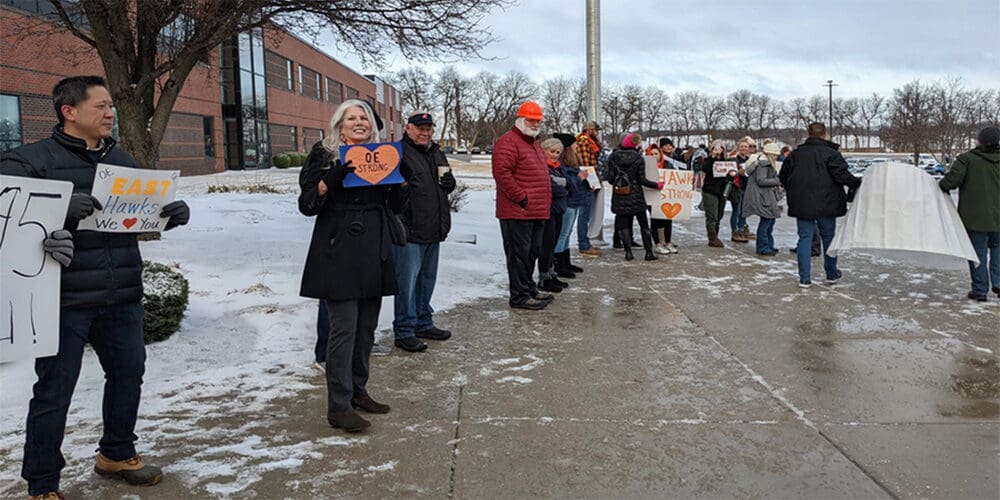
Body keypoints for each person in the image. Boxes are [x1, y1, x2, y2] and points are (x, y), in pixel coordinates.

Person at [2, 75, 190, 498]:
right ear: (69, 112)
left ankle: (117, 453)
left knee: (129, 375)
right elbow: (7, 217)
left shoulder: (121, 161)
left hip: (121, 293)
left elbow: (134, 219)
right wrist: (59, 210)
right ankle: (42, 482)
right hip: (61, 300)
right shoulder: (29, 162)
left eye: (111, 107)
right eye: (101, 106)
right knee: (54, 391)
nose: (110, 114)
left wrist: (168, 214)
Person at [298, 99, 403, 432]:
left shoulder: (381, 157)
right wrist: (331, 178)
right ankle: (338, 406)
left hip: (373, 247)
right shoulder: (324, 153)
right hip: (337, 247)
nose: (359, 122)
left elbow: (396, 206)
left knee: (366, 328)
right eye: (352, 118)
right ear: (339, 125)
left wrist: (402, 182)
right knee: (343, 329)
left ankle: (359, 391)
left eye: (364, 118)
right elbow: (307, 204)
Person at [392, 112, 456, 351]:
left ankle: (423, 321)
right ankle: (404, 329)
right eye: (420, 128)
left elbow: (445, 179)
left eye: (428, 128)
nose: (425, 133)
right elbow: (392, 193)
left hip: (433, 227)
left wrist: (451, 184)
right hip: (408, 229)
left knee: (427, 280)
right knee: (407, 283)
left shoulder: (435, 152)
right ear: (407, 128)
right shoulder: (397, 152)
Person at [779, 122, 861, 288]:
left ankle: (804, 278)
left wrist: (794, 190)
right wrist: (857, 182)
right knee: (829, 238)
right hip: (828, 203)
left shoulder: (795, 154)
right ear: (825, 135)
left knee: (804, 238)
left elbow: (783, 176)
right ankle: (831, 273)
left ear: (808, 134)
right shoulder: (831, 154)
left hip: (802, 203)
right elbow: (843, 176)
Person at [492, 101, 553, 310]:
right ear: (520, 120)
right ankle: (519, 296)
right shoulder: (508, 142)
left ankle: (529, 288)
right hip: (517, 211)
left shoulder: (533, 143)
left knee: (531, 253)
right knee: (519, 255)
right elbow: (502, 174)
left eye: (538, 121)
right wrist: (522, 197)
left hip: (535, 211)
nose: (535, 124)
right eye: (531, 120)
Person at [938, 126, 1000, 302]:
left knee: (977, 254)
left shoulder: (967, 160)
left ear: (979, 141)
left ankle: (980, 290)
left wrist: (942, 186)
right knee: (998, 250)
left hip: (975, 218)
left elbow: (949, 182)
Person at [609, 133, 662, 261]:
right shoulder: (638, 158)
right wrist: (656, 185)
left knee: (623, 225)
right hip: (636, 195)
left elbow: (609, 177)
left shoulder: (613, 157)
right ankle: (649, 252)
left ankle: (628, 253)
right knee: (644, 224)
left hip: (620, 194)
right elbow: (642, 180)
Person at [552, 133, 588, 278]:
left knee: (567, 232)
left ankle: (565, 262)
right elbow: (568, 181)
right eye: (575, 144)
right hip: (568, 201)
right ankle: (559, 264)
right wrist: (579, 178)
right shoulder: (562, 164)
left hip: (574, 200)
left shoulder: (571, 162)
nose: (577, 146)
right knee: (563, 233)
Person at [537, 137, 570, 293]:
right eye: (552, 151)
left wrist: (563, 185)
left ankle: (551, 273)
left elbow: (567, 183)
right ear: (545, 150)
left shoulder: (557, 167)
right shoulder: (543, 166)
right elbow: (550, 187)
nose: (555, 155)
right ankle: (544, 277)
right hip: (548, 209)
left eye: (558, 152)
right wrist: (564, 187)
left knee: (554, 243)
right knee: (547, 244)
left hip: (558, 208)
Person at [742, 142, 783, 255]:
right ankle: (763, 247)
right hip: (763, 196)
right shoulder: (763, 164)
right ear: (770, 154)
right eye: (775, 155)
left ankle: (768, 245)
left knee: (769, 221)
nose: (776, 157)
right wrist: (778, 181)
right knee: (766, 222)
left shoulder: (762, 163)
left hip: (764, 196)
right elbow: (761, 180)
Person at [575, 120, 604, 255]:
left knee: (586, 214)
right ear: (590, 130)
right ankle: (584, 244)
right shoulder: (584, 142)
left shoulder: (589, 142)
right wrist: (591, 182)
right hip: (587, 183)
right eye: (596, 130)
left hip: (589, 182)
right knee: (584, 214)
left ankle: (585, 242)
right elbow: (586, 166)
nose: (598, 133)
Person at [699, 141, 734, 247]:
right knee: (712, 216)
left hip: (722, 191)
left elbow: (729, 177)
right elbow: (705, 168)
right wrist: (713, 157)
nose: (719, 150)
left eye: (721, 148)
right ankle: (712, 238)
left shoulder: (726, 162)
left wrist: (731, 175)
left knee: (719, 215)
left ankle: (716, 235)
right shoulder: (708, 160)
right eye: (716, 148)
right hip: (710, 190)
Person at [652, 138, 680, 254]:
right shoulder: (646, 166)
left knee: (668, 218)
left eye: (656, 154)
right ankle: (658, 243)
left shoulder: (668, 163)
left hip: (667, 195)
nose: (654, 156)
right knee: (656, 219)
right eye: (652, 154)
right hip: (653, 196)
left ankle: (667, 241)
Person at [728, 137, 755, 243]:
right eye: (742, 147)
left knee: (744, 211)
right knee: (736, 210)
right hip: (737, 188)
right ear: (738, 148)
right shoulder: (734, 159)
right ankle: (735, 231)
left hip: (747, 188)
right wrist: (737, 172)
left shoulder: (749, 160)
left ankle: (742, 229)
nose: (744, 148)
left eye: (746, 147)